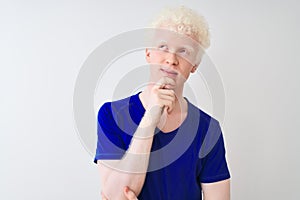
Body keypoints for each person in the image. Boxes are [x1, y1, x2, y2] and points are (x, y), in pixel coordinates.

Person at [95, 6, 231, 200]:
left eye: (183, 51)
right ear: (148, 53)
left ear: (194, 65)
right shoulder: (111, 114)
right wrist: (150, 118)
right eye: (163, 47)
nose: (171, 59)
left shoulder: (208, 129)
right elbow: (114, 195)